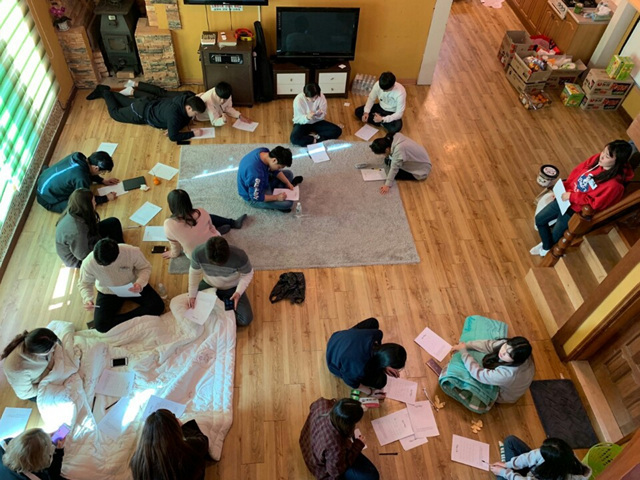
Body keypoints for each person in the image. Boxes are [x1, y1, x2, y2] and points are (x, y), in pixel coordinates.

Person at [531, 140, 634, 257]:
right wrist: (564, 188)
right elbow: (577, 173)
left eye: (607, 156)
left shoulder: (614, 185)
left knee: (556, 235)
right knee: (540, 219)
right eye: (603, 152)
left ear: (617, 162)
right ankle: (546, 246)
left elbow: (595, 204)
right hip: (565, 198)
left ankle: (546, 248)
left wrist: (573, 196)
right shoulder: (597, 159)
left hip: (575, 210)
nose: (602, 156)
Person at [79, 239, 164, 333]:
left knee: (158, 306)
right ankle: (132, 320)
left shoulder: (131, 252)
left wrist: (140, 283)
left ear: (117, 254)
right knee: (100, 326)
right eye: (100, 264)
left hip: (132, 286)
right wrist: (88, 299)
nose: (104, 267)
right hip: (108, 291)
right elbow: (84, 283)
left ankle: (119, 322)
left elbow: (145, 268)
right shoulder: (88, 263)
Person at [85, 84, 206, 143]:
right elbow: (173, 137)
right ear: (189, 107)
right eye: (195, 113)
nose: (195, 116)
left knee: (125, 101)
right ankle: (105, 92)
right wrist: (192, 133)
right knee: (115, 114)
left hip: (146, 103)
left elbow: (182, 119)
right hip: (140, 112)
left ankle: (106, 92)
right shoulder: (174, 115)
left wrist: (173, 128)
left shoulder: (183, 99)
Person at [299, 397, 379, 480]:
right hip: (318, 466)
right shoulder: (336, 446)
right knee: (372, 476)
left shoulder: (322, 403)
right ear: (348, 425)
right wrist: (358, 445)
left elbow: (312, 406)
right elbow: (335, 472)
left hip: (306, 442)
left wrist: (357, 407)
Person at [326, 318, 407, 393]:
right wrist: (370, 392)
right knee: (381, 381)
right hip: (332, 359)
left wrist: (385, 364)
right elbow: (351, 382)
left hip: (339, 338)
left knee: (373, 322)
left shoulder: (376, 335)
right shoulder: (359, 369)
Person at [162, 189, 247, 261]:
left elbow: (175, 245)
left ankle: (221, 230)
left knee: (205, 223)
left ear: (171, 206)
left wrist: (173, 254)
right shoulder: (200, 212)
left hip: (195, 255)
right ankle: (230, 225)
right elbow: (211, 227)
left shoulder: (168, 225)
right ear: (188, 201)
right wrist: (216, 234)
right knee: (209, 218)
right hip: (213, 245)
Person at [188, 236, 254, 326]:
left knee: (245, 319)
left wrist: (238, 292)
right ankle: (220, 311)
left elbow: (248, 274)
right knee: (194, 312)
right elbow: (194, 273)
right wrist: (192, 295)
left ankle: (217, 314)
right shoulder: (197, 253)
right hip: (209, 284)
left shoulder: (240, 256)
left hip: (232, 288)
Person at [451, 336, 534, 404]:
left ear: (516, 359)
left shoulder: (508, 374)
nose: (503, 352)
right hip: (511, 381)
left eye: (509, 354)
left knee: (468, 377)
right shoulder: (516, 349)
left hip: (503, 395)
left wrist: (464, 352)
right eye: (505, 346)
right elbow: (489, 345)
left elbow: (478, 374)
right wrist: (466, 345)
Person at [130, 409, 210, 480]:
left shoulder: (137, 461)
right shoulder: (188, 449)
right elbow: (203, 440)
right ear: (174, 429)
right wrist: (182, 427)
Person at [55, 188, 124, 268]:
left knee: (113, 222)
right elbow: (84, 256)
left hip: (88, 238)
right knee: (108, 252)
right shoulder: (78, 231)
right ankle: (119, 256)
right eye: (93, 201)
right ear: (86, 206)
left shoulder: (74, 210)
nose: (95, 203)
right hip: (80, 259)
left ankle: (120, 249)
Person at [36, 151, 119, 213]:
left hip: (43, 180)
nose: (101, 174)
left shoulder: (78, 156)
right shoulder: (81, 178)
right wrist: (106, 198)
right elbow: (85, 199)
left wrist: (102, 180)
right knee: (79, 207)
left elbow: (88, 171)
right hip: (47, 200)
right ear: (96, 168)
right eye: (102, 172)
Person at [490, 436, 591, 480]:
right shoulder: (562, 454)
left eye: (542, 453)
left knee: (501, 477)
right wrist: (508, 464)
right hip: (534, 472)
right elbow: (530, 456)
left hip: (535, 476)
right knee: (510, 440)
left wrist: (505, 473)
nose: (539, 452)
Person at [237, 146, 303, 212]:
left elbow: (275, 171)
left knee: (289, 173)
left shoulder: (264, 151)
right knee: (288, 204)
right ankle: (278, 200)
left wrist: (287, 183)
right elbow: (256, 197)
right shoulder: (256, 174)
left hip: (264, 179)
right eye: (279, 167)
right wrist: (277, 197)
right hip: (254, 197)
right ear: (274, 160)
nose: (279, 169)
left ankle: (280, 190)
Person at [1, 329, 59, 401]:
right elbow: (25, 394)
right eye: (51, 349)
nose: (53, 350)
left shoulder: (34, 342)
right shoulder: (18, 370)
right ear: (38, 353)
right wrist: (45, 385)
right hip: (34, 389)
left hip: (43, 373)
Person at [0, 428, 65, 480]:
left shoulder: (4, 443)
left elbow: (25, 445)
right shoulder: (37, 477)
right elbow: (53, 475)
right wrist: (59, 451)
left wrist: (44, 437)